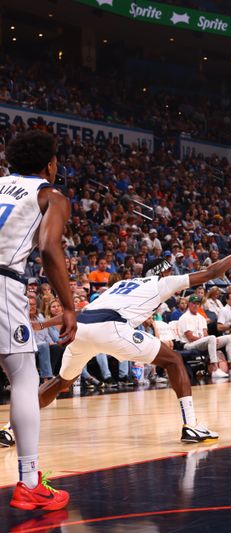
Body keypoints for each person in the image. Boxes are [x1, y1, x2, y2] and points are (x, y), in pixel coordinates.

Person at [38, 235, 231, 444]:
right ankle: (191, 425)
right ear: (162, 272)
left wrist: (42, 324)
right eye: (170, 270)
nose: (173, 273)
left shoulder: (119, 285)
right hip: (111, 328)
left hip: (83, 329)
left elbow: (80, 312)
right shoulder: (161, 283)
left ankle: (11, 427)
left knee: (61, 382)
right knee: (173, 361)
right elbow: (212, 271)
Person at [0, 129, 76, 510]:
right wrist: (69, 306)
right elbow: (48, 248)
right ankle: (30, 482)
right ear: (50, 164)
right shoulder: (50, 195)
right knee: (25, 378)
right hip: (2, 283)